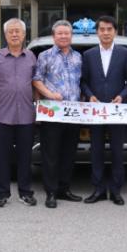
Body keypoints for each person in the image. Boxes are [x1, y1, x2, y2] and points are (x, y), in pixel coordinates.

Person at [81, 15, 127, 205]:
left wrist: (123, 95)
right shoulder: (88, 55)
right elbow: (83, 81)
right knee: (96, 151)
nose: (105, 33)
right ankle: (98, 189)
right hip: (96, 111)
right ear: (97, 32)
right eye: (102, 29)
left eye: (109, 29)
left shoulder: (125, 53)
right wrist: (90, 95)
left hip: (117, 110)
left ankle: (116, 190)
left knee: (117, 152)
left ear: (115, 31)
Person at [0, 18, 37, 208]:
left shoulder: (31, 57)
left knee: (25, 157)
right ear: (5, 35)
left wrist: (40, 108)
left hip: (27, 116)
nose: (14, 34)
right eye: (10, 31)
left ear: (24, 34)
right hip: (2, 116)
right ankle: (3, 193)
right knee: (3, 157)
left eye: (18, 31)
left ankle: (25, 192)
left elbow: (36, 84)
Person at [32, 20, 83, 208]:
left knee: (69, 154)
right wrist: (50, 94)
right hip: (52, 113)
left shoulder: (78, 57)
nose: (63, 36)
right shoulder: (44, 56)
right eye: (60, 33)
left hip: (73, 113)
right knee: (51, 154)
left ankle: (64, 189)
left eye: (66, 33)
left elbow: (81, 82)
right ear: (54, 36)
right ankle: (51, 192)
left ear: (71, 36)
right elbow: (36, 80)